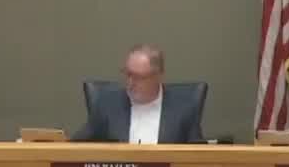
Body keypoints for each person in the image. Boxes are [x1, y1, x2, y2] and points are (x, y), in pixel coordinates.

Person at [74, 44, 203, 144]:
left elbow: (199, 155)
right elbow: (76, 146)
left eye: (138, 77)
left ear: (158, 76)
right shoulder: (107, 105)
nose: (130, 83)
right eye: (128, 74)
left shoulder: (184, 109)